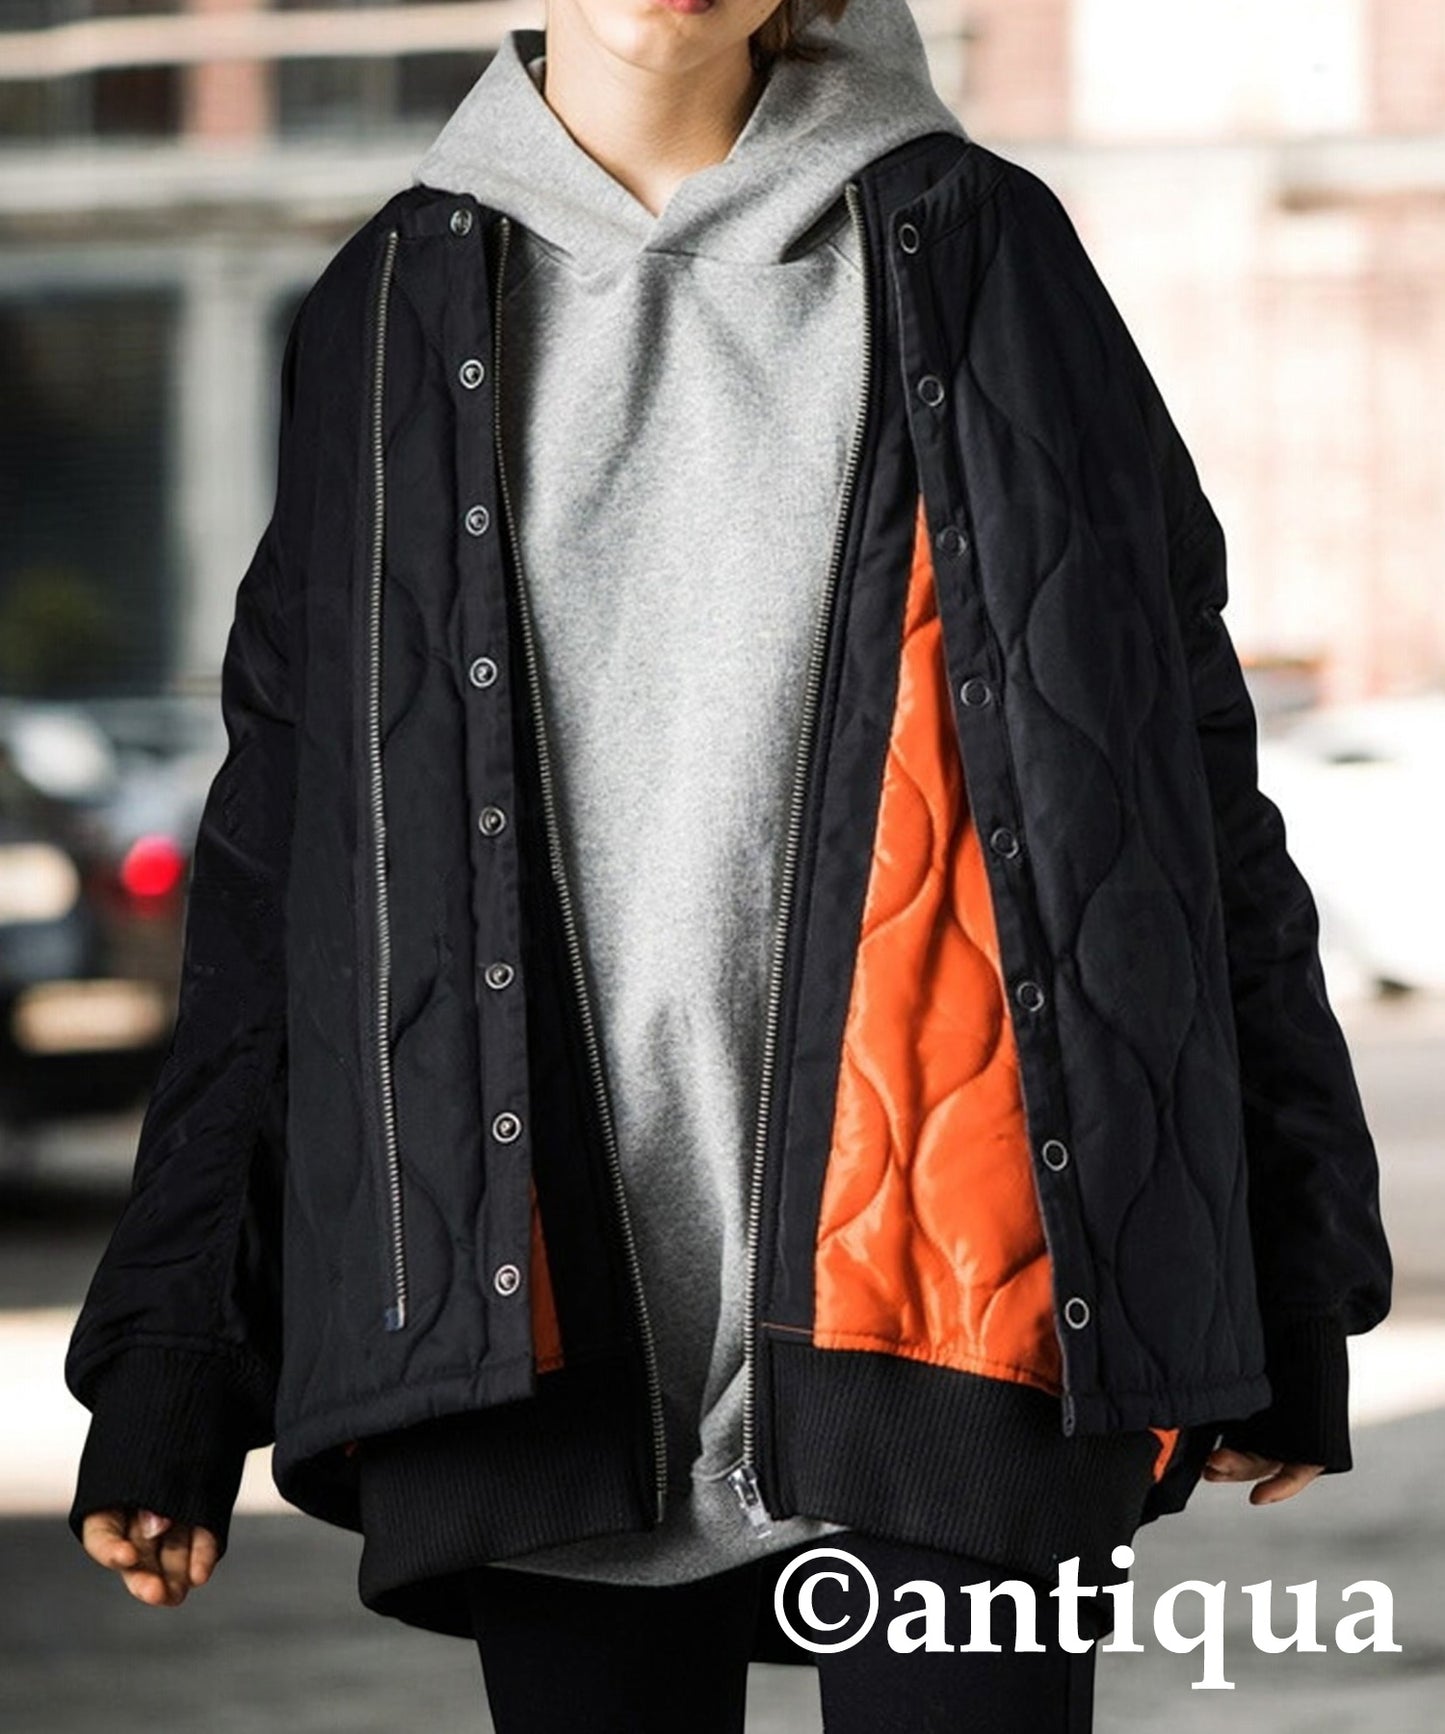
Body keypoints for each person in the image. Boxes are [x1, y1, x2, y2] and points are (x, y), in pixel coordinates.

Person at [66, 0, 1393, 1727]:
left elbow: (1174, 777)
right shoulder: (388, 304)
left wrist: (1286, 1264)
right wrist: (176, 1359)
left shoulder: (985, 252)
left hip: (961, 1292)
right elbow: (289, 867)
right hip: (536, 1321)